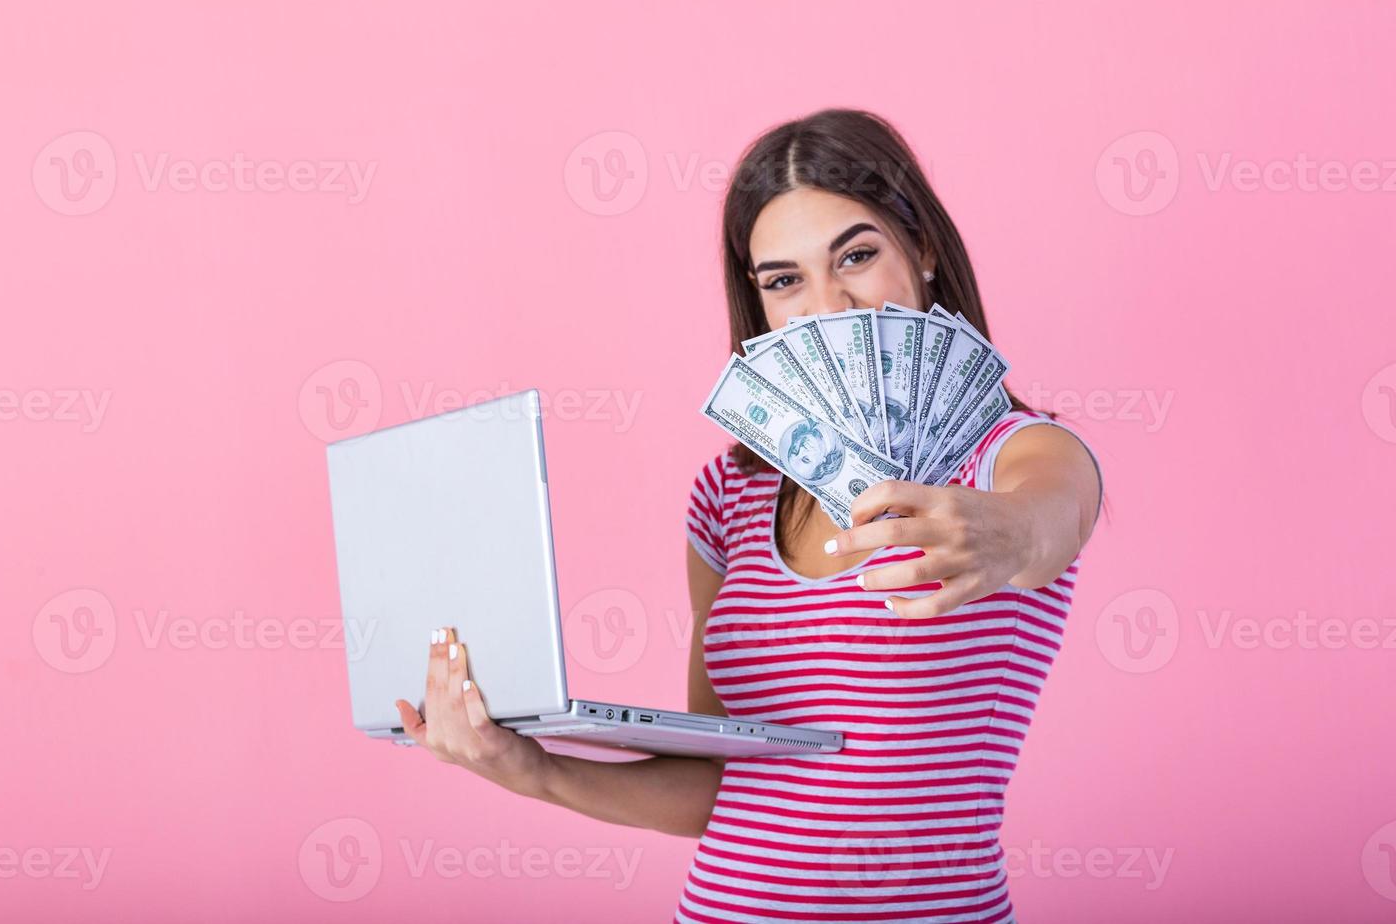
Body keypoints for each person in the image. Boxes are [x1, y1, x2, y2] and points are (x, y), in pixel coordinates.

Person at [394, 108, 1103, 923]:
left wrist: (1009, 532)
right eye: (783, 280)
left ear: (927, 252)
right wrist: (526, 767)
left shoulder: (1008, 457)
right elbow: (716, 786)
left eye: (858, 256)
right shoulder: (728, 498)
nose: (827, 306)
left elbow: (1055, 512)